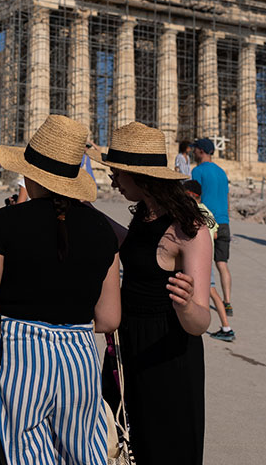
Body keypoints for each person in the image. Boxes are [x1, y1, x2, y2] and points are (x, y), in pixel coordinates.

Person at [0, 115, 121, 463]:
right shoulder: (103, 230)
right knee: (84, 454)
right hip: (79, 357)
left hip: (20, 357)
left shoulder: (5, 224)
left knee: (23, 455)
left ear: (30, 173)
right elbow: (109, 319)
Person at [97, 122, 211, 465]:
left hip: (167, 353)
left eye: (118, 173)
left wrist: (187, 304)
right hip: (127, 344)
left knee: (165, 448)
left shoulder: (188, 231)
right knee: (127, 445)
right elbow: (132, 244)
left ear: (140, 176)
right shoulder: (145, 215)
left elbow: (200, 321)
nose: (113, 180)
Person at [184, 180, 234, 342]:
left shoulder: (192, 212)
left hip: (197, 259)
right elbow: (215, 234)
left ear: (190, 196)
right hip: (207, 258)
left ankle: (226, 327)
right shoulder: (207, 211)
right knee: (208, 293)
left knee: (209, 293)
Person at [191, 138, 234, 315]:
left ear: (201, 151)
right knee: (222, 264)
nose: (193, 152)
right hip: (224, 222)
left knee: (202, 263)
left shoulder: (198, 171)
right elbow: (227, 197)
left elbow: (194, 197)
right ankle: (228, 302)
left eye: (195, 149)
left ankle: (200, 300)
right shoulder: (222, 172)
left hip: (207, 223)